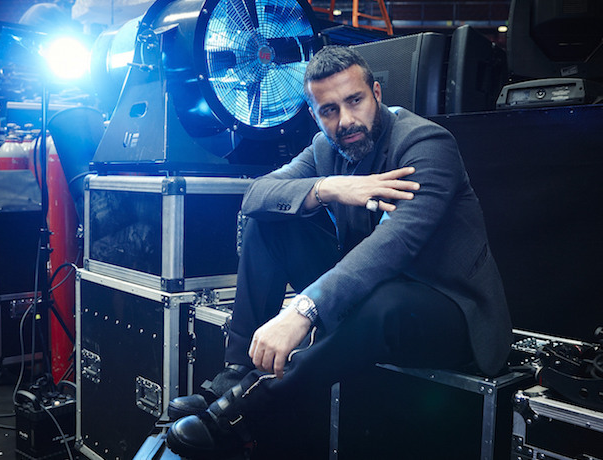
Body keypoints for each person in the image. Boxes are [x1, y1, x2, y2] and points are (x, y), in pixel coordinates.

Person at [164, 45, 513, 459]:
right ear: (315, 114)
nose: (345, 120)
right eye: (329, 110)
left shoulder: (426, 143)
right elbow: (256, 197)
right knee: (269, 222)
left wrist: (303, 310)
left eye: (355, 101)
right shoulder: (325, 148)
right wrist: (328, 187)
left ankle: (247, 406)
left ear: (377, 94)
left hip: (449, 309)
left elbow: (392, 247)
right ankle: (238, 371)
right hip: (371, 288)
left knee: (386, 299)